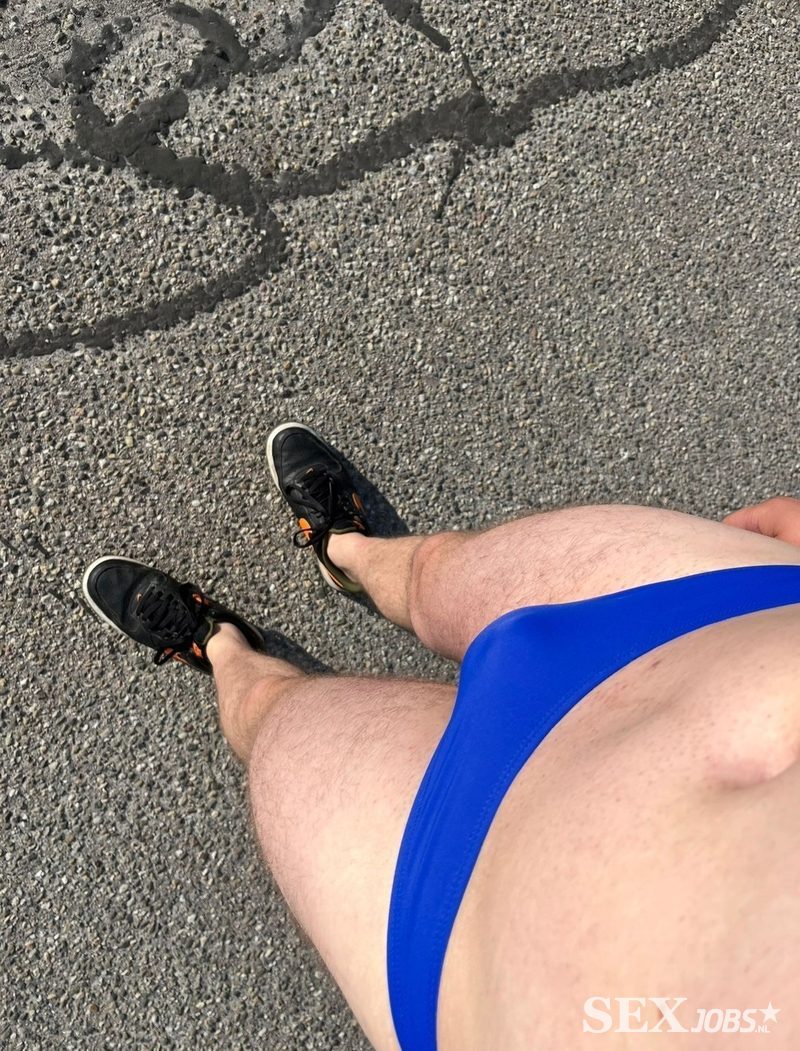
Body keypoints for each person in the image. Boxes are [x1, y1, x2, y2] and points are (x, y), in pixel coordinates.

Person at [82, 424, 800, 1050]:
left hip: (467, 938)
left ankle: (218, 645)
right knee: (438, 574)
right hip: (735, 618)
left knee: (275, 720)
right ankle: (347, 550)